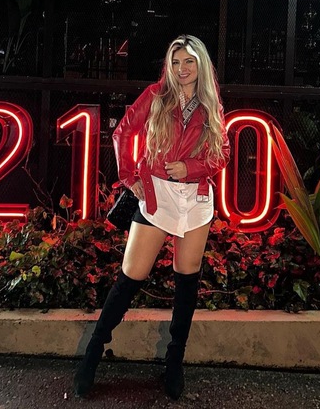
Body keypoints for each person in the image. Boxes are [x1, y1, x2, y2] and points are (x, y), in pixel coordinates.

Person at [74, 34, 230, 400]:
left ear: (201, 64)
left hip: (196, 201)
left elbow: (222, 152)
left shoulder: (211, 102)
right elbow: (122, 131)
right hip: (156, 197)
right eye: (175, 62)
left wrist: (191, 168)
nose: (182, 69)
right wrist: (129, 177)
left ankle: (174, 363)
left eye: (188, 61)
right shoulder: (157, 95)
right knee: (130, 278)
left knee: (187, 282)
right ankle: (91, 357)